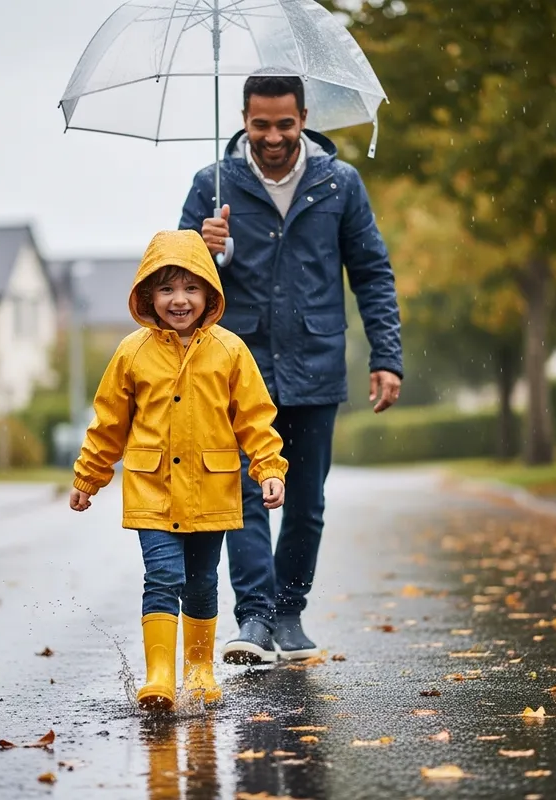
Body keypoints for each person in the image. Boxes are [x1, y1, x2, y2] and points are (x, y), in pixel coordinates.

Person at [179, 74, 403, 664]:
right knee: (247, 496)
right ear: (244, 121)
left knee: (305, 501)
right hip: (237, 368)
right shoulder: (213, 185)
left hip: (316, 365)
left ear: (303, 117)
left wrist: (387, 357)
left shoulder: (340, 183)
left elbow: (373, 273)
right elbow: (174, 283)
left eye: (285, 124)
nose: (273, 137)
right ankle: (253, 619)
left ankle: (289, 610)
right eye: (260, 125)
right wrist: (201, 246)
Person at [69, 229, 288, 710]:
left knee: (202, 581)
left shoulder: (230, 351)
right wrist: (90, 476)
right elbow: (109, 421)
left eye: (191, 288)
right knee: (162, 576)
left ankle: (199, 668)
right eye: (166, 289)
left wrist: (269, 468)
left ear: (210, 292)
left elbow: (254, 417)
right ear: (148, 295)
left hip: (212, 489)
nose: (179, 299)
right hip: (152, 488)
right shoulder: (132, 352)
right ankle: (160, 676)